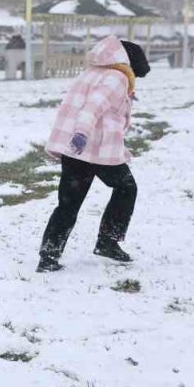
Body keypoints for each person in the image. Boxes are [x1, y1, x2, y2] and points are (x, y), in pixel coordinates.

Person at [36, 36, 151, 273]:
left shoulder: (92, 73)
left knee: (68, 204)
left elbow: (86, 102)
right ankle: (108, 241)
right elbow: (92, 106)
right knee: (127, 188)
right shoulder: (117, 78)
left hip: (75, 151)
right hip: (96, 149)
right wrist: (81, 133)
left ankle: (48, 256)